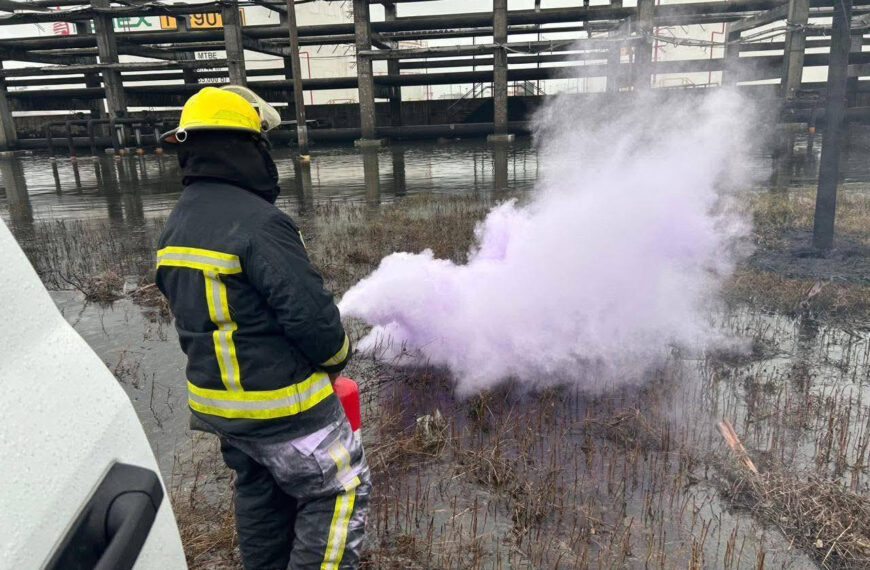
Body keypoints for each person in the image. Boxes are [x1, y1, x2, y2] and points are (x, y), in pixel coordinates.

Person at [155, 86, 369, 570]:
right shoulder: (260, 223)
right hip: (283, 409)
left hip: (225, 412)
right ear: (244, 149)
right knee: (340, 489)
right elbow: (313, 321)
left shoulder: (176, 224)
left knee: (262, 499)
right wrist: (338, 356)